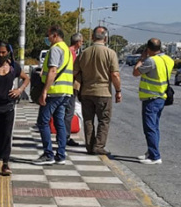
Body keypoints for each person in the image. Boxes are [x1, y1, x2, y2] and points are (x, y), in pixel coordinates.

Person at [74, 26, 122, 155]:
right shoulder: (110, 53)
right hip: (103, 92)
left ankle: (89, 146)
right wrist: (118, 90)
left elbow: (75, 71)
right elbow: (115, 75)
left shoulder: (84, 53)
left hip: (86, 92)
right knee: (104, 120)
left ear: (92, 37)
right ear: (105, 38)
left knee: (88, 120)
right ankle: (99, 146)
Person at [0, 51, 29, 176]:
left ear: (8, 52)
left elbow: (26, 78)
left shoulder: (14, 67)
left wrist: (19, 90)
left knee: (7, 134)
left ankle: (5, 162)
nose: (1, 54)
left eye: (4, 52)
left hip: (9, 106)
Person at [35, 26, 74, 165]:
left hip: (55, 91)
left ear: (55, 35)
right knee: (60, 123)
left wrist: (44, 91)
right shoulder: (67, 50)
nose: (47, 38)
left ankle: (48, 154)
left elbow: (52, 70)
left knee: (42, 121)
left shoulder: (56, 49)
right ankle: (61, 155)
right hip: (66, 92)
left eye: (48, 36)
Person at [132, 38, 174, 164]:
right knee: (155, 127)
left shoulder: (151, 61)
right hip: (161, 96)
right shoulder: (168, 59)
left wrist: (141, 58)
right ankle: (151, 151)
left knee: (149, 128)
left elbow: (135, 72)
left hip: (151, 97)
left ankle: (155, 156)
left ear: (148, 49)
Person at [65, 32, 84, 146]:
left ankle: (63, 136)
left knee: (65, 112)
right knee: (68, 112)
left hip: (66, 86)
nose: (82, 44)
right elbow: (73, 71)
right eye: (81, 42)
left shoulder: (69, 51)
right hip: (69, 87)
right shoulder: (71, 53)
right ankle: (65, 137)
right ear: (77, 42)